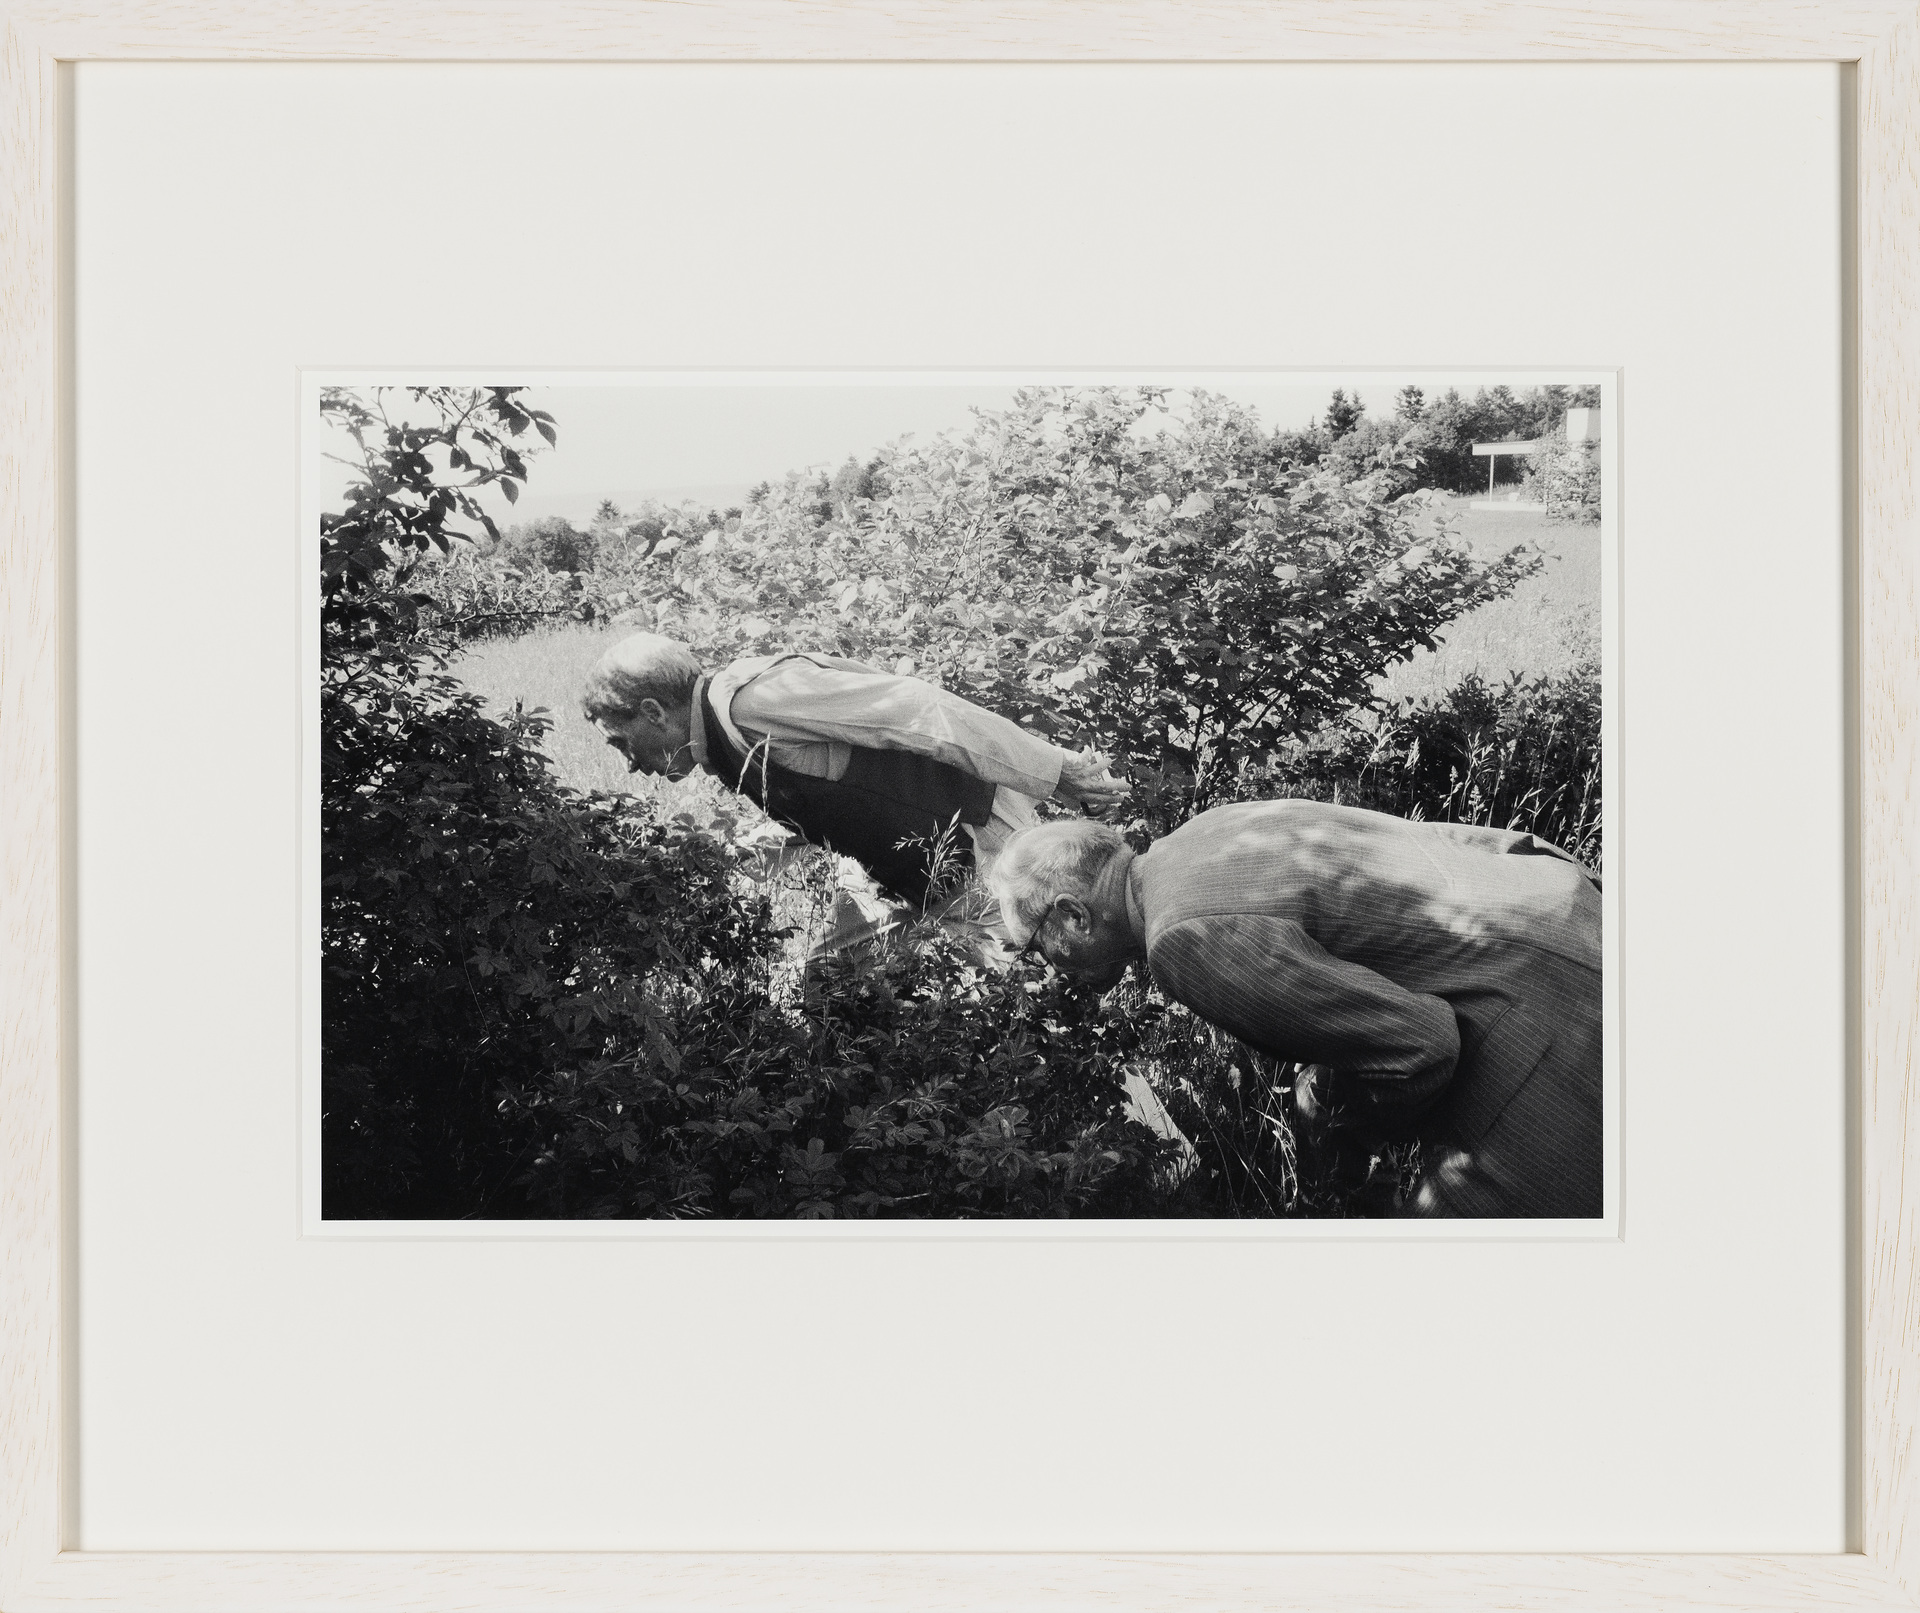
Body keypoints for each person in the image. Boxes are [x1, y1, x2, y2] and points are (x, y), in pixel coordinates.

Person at [987, 799, 1603, 1218]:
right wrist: (1324, 1086)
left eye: (1032, 944)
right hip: (1578, 915)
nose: (1043, 961)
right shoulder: (1211, 830)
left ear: (1073, 913)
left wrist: (1346, 1135)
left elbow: (1422, 1044)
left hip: (1549, 1029)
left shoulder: (1180, 940)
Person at [580, 632, 1126, 953]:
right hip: (916, 871)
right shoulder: (718, 736)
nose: (629, 765)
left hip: (978, 842)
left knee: (1041, 983)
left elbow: (919, 710)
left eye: (621, 742)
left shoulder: (755, 701)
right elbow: (818, 790)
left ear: (653, 713)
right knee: (829, 978)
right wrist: (724, 858)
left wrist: (1059, 770)